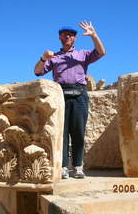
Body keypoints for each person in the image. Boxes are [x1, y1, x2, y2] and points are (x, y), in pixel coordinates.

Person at [34, 21, 106, 179]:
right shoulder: (53, 57)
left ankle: (78, 166)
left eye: (71, 35)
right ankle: (64, 167)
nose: (68, 37)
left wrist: (94, 35)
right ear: (60, 37)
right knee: (62, 132)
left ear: (75, 39)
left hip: (80, 95)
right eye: (65, 34)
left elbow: (101, 52)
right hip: (60, 95)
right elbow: (37, 72)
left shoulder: (83, 54)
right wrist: (43, 58)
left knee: (78, 132)